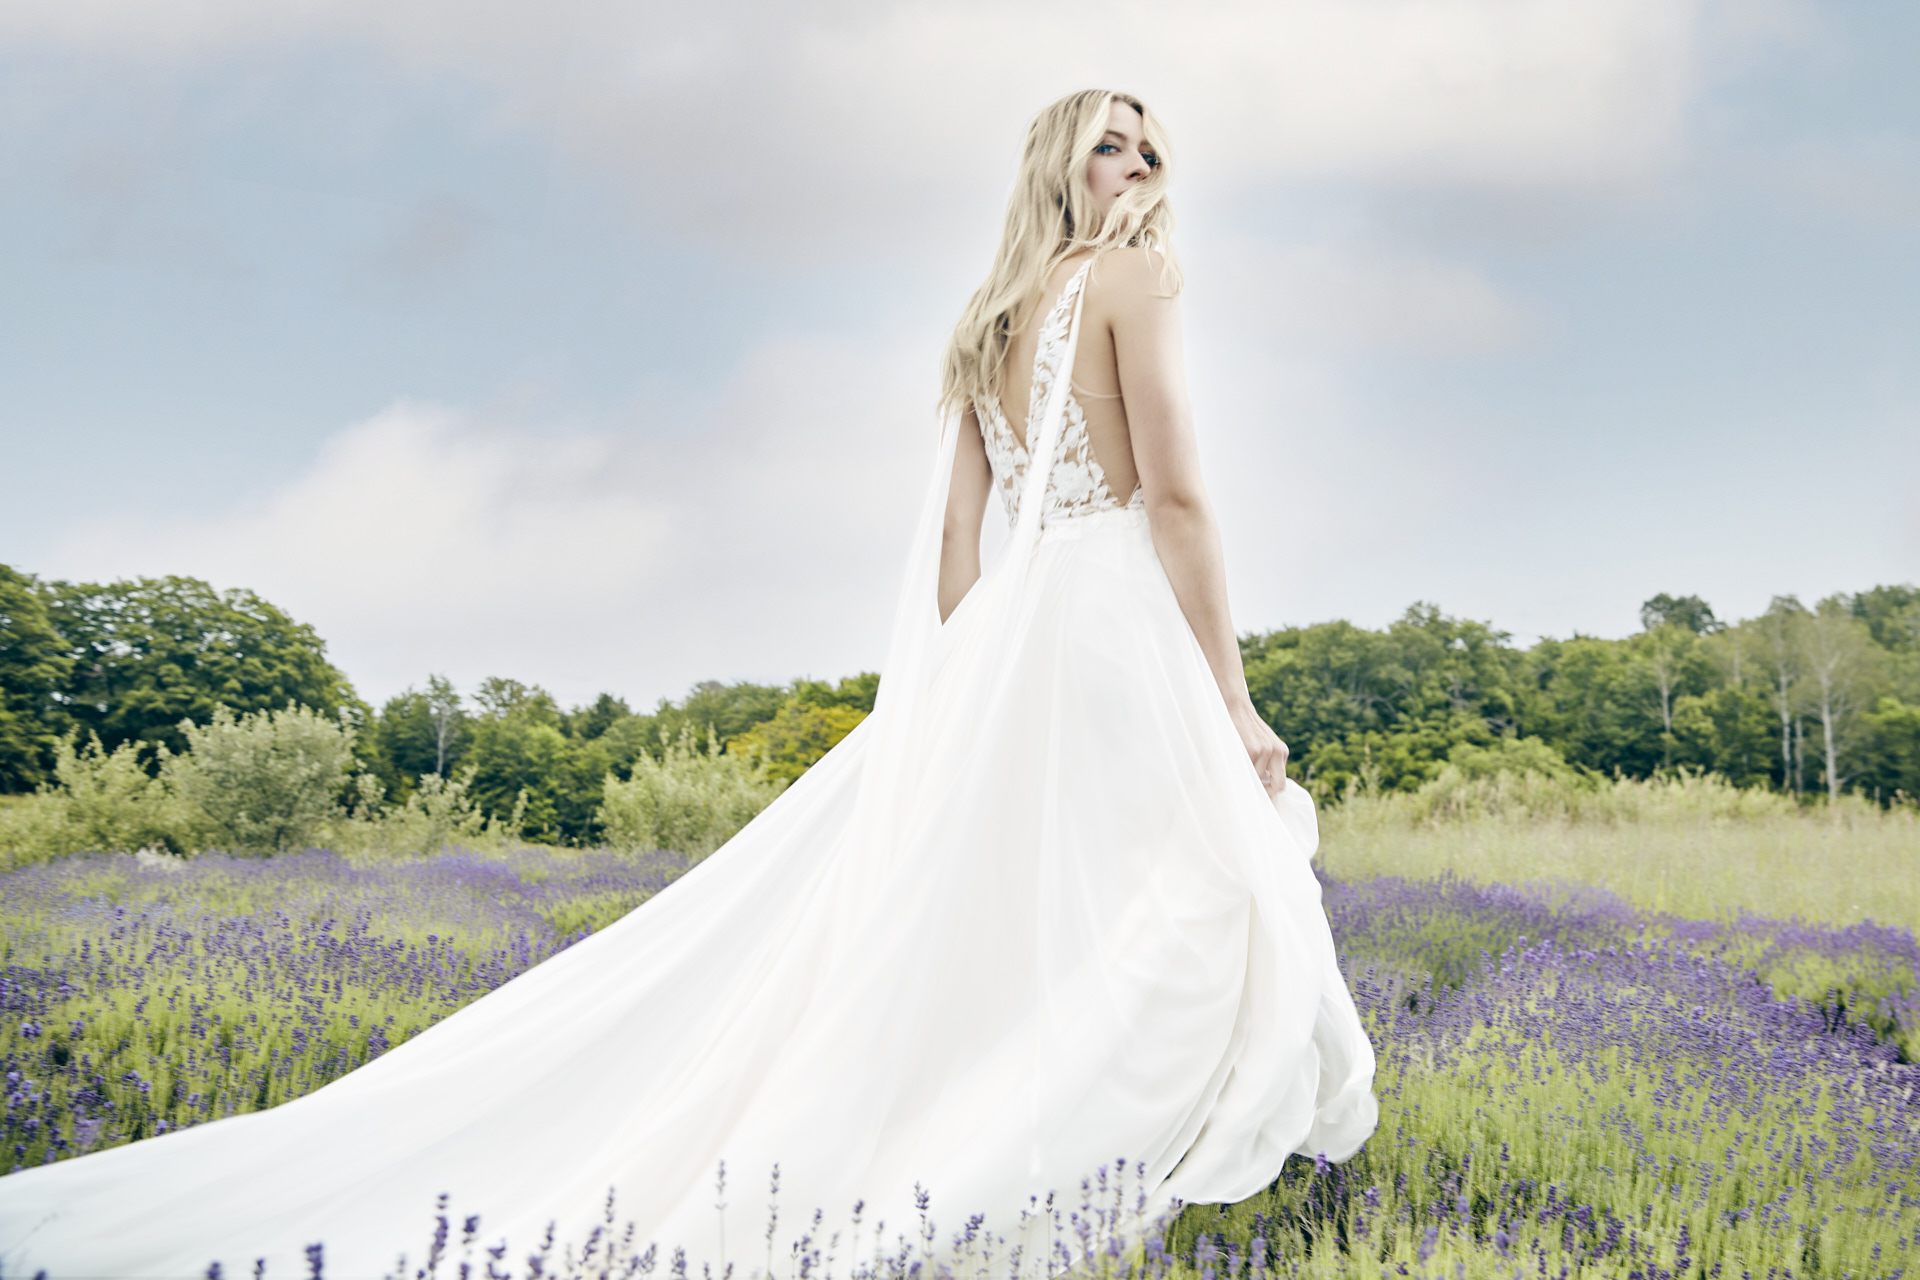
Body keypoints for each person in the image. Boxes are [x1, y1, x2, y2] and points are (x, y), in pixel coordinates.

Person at [0, 89, 1376, 1279]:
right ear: (1057, 171)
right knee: (1190, 899)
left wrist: (974, 688)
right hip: (1110, 626)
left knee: (1030, 925)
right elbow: (1179, 498)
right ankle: (1079, 1168)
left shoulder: (986, 320)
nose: (1139, 176)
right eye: (1110, 152)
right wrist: (1236, 698)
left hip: (1021, 640)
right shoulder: (1135, 280)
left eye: (1151, 155)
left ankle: (1034, 1151)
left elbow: (960, 555)